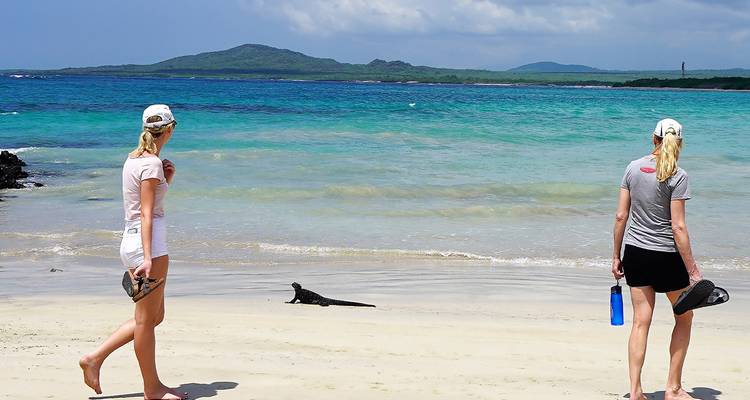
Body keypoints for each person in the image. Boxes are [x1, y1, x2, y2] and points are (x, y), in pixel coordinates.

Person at [79, 104, 186, 400]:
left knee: (152, 317)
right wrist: (149, 258)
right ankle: (152, 389)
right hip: (147, 247)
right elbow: (147, 214)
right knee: (146, 321)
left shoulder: (135, 159)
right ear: (170, 129)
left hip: (133, 242)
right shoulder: (150, 163)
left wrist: (166, 180)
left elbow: (141, 206)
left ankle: (94, 359)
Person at [611, 118, 704, 400]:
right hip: (666, 257)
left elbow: (620, 216)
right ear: (680, 143)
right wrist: (693, 270)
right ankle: (673, 389)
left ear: (654, 139)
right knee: (684, 316)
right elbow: (678, 227)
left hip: (636, 254)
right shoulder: (678, 175)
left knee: (641, 321)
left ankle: (636, 391)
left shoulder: (633, 167)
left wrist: (616, 256)